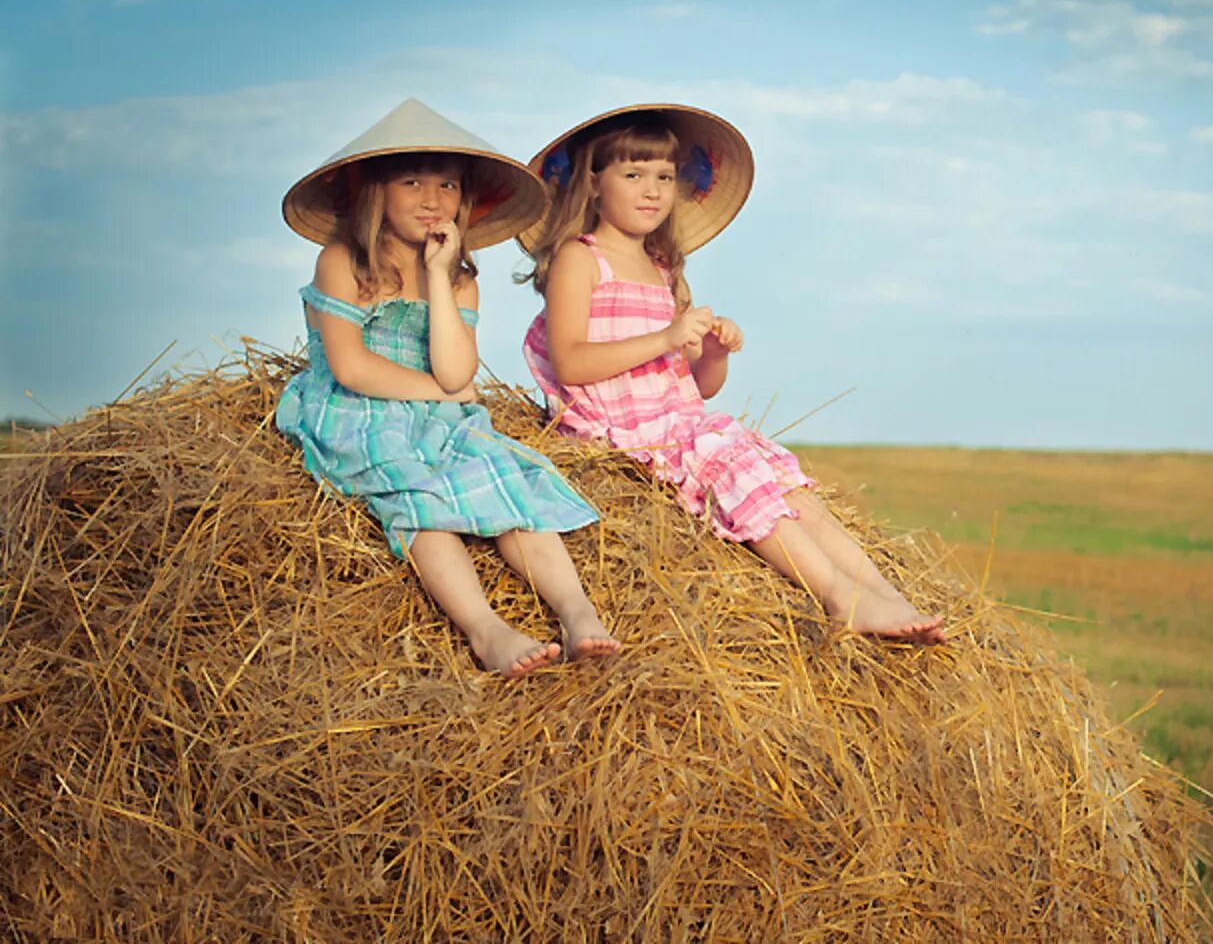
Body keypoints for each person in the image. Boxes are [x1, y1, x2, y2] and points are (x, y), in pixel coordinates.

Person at [519, 104, 945, 644]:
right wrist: (665, 337)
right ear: (593, 184)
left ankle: (881, 591)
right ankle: (839, 598)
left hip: (676, 423)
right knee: (736, 472)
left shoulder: (663, 270)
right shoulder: (579, 260)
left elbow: (695, 387)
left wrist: (713, 353)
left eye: (665, 177)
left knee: (787, 486)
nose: (652, 190)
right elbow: (572, 361)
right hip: (618, 431)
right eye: (633, 174)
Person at [276, 98, 619, 676]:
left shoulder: (458, 280)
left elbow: (458, 374)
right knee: (418, 498)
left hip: (436, 411)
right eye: (412, 182)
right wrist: (441, 395)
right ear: (375, 191)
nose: (433, 200)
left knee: (506, 481)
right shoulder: (341, 259)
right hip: (359, 412)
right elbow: (353, 368)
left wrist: (439, 277)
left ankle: (577, 611)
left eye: (449, 185)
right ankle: (487, 631)